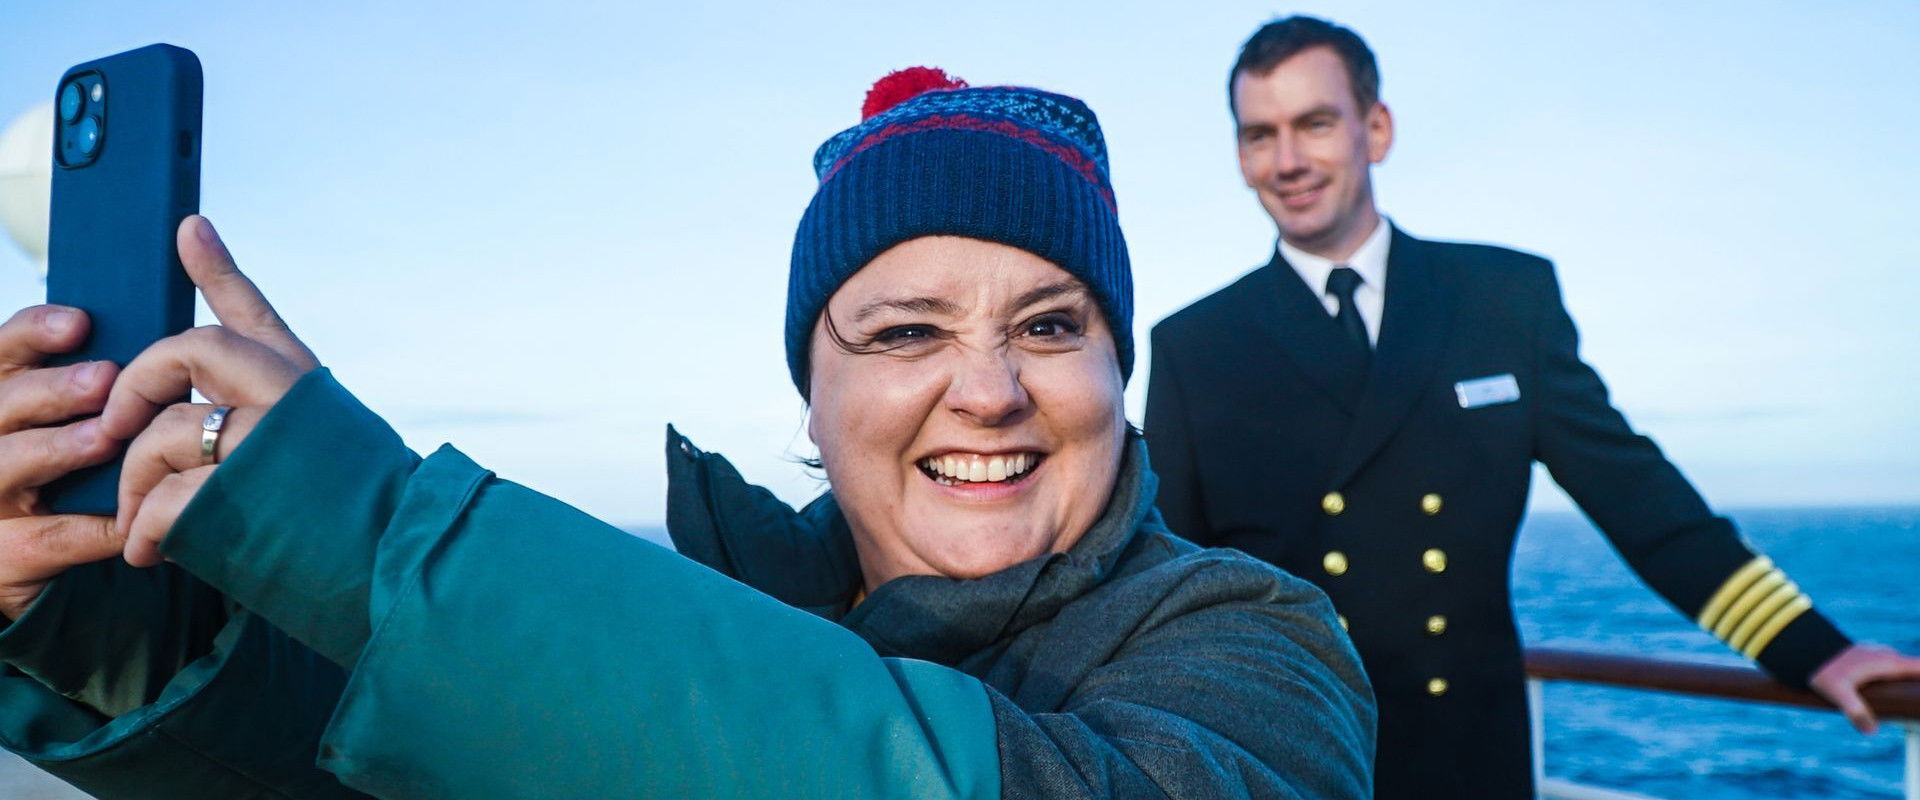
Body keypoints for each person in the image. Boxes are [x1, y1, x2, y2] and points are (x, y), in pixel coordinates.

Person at [0, 69, 1374, 798]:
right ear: (811, 394)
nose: (992, 389)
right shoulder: (717, 603)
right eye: (904, 334)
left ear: (1117, 371)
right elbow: (386, 764)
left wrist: (374, 544)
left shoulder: (1255, 642)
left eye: (1053, 325)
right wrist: (99, 615)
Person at [1143, 16, 1920, 800]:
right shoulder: (1195, 346)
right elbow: (1168, 585)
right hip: (1293, 766)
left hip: (1471, 759)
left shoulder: (1502, 300)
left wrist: (1815, 650)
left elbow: (1640, 500)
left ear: (1375, 130)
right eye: (1258, 135)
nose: (1287, 161)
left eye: (1314, 124)